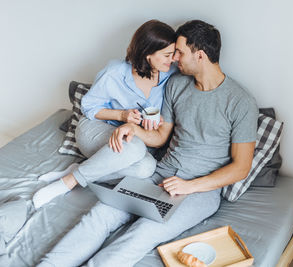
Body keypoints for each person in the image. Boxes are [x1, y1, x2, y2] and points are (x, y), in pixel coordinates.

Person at [37, 20, 258, 266]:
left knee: (143, 232)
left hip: (200, 192)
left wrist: (190, 186)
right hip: (160, 173)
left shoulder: (241, 102)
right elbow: (161, 136)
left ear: (201, 55)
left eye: (180, 52)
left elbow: (241, 167)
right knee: (100, 214)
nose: (175, 58)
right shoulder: (176, 84)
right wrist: (132, 128)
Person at [32, 20, 177, 209]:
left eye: (173, 53)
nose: (172, 59)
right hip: (94, 129)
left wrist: (158, 120)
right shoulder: (115, 72)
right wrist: (123, 116)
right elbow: (89, 107)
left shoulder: (169, 74)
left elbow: (165, 113)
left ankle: (79, 172)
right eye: (167, 55)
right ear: (148, 54)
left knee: (146, 168)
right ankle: (66, 183)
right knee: (135, 148)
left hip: (130, 138)